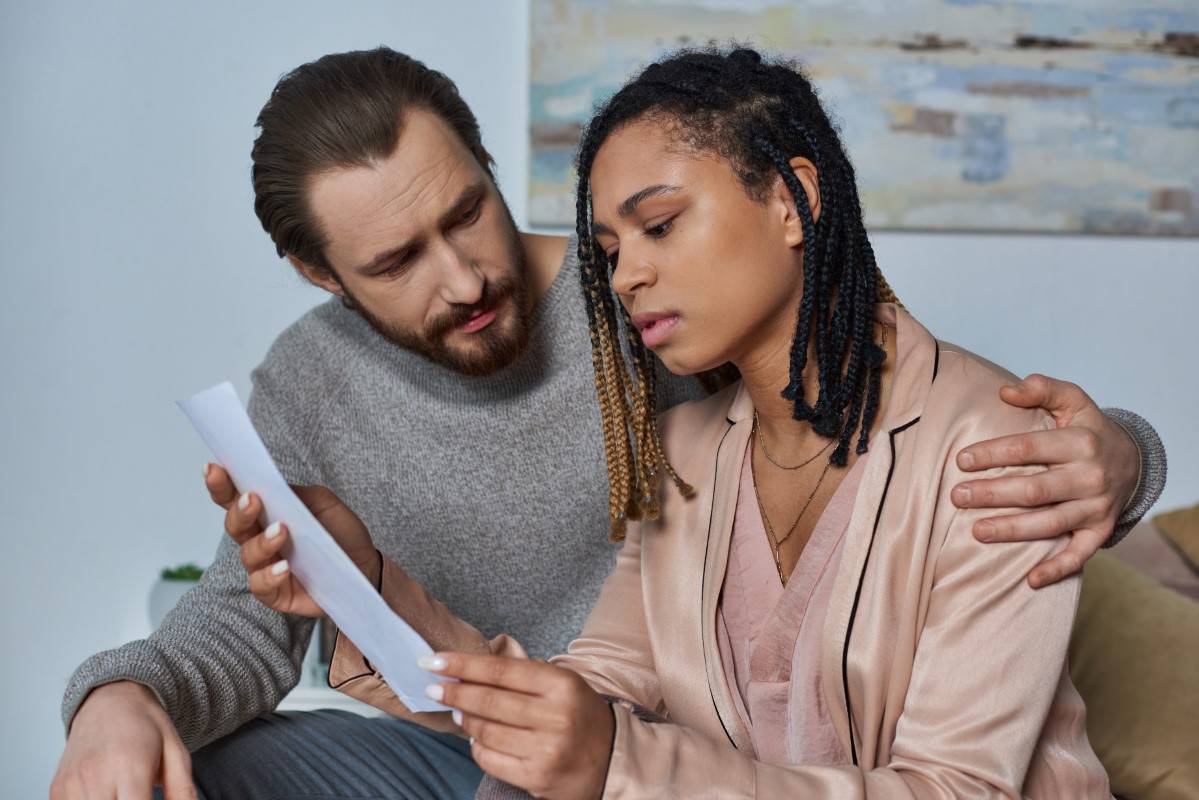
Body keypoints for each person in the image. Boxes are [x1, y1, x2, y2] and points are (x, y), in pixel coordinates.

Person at [52, 47, 1162, 799]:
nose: (466, 273)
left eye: (468, 210)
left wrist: (1122, 451)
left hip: (645, 770)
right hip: (569, 756)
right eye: (395, 259)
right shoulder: (674, 443)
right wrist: (339, 589)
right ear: (318, 273)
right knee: (223, 764)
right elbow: (576, 688)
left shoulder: (679, 324)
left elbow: (876, 366)